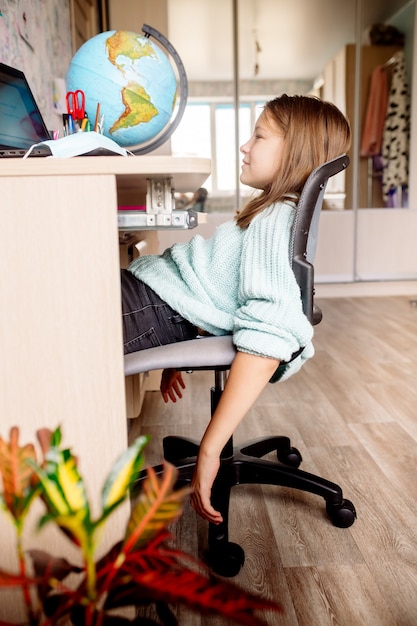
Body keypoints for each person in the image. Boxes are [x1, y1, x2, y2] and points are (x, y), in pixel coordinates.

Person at [121, 94, 351, 525]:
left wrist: (210, 449)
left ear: (295, 151)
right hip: (157, 305)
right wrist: (182, 337)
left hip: (148, 308)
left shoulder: (274, 219)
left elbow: (269, 333)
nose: (245, 146)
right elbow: (219, 290)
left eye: (259, 136)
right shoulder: (272, 213)